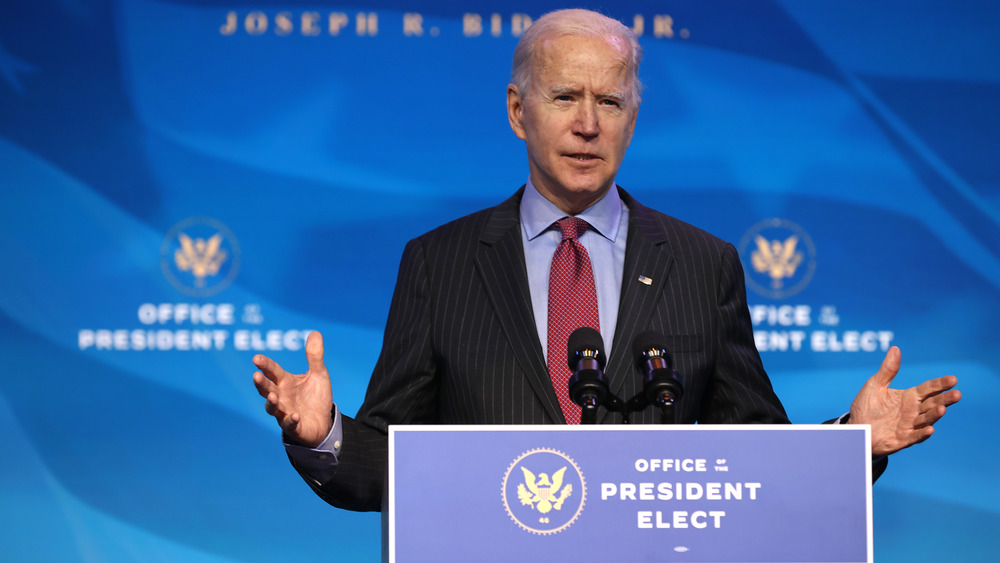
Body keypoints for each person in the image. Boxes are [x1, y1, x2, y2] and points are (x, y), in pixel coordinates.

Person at [252, 9, 960, 512]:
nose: (588, 123)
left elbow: (752, 461)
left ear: (633, 116)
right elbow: (387, 468)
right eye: (565, 97)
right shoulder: (440, 262)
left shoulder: (702, 263)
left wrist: (851, 443)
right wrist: (327, 434)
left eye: (609, 101)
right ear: (517, 110)